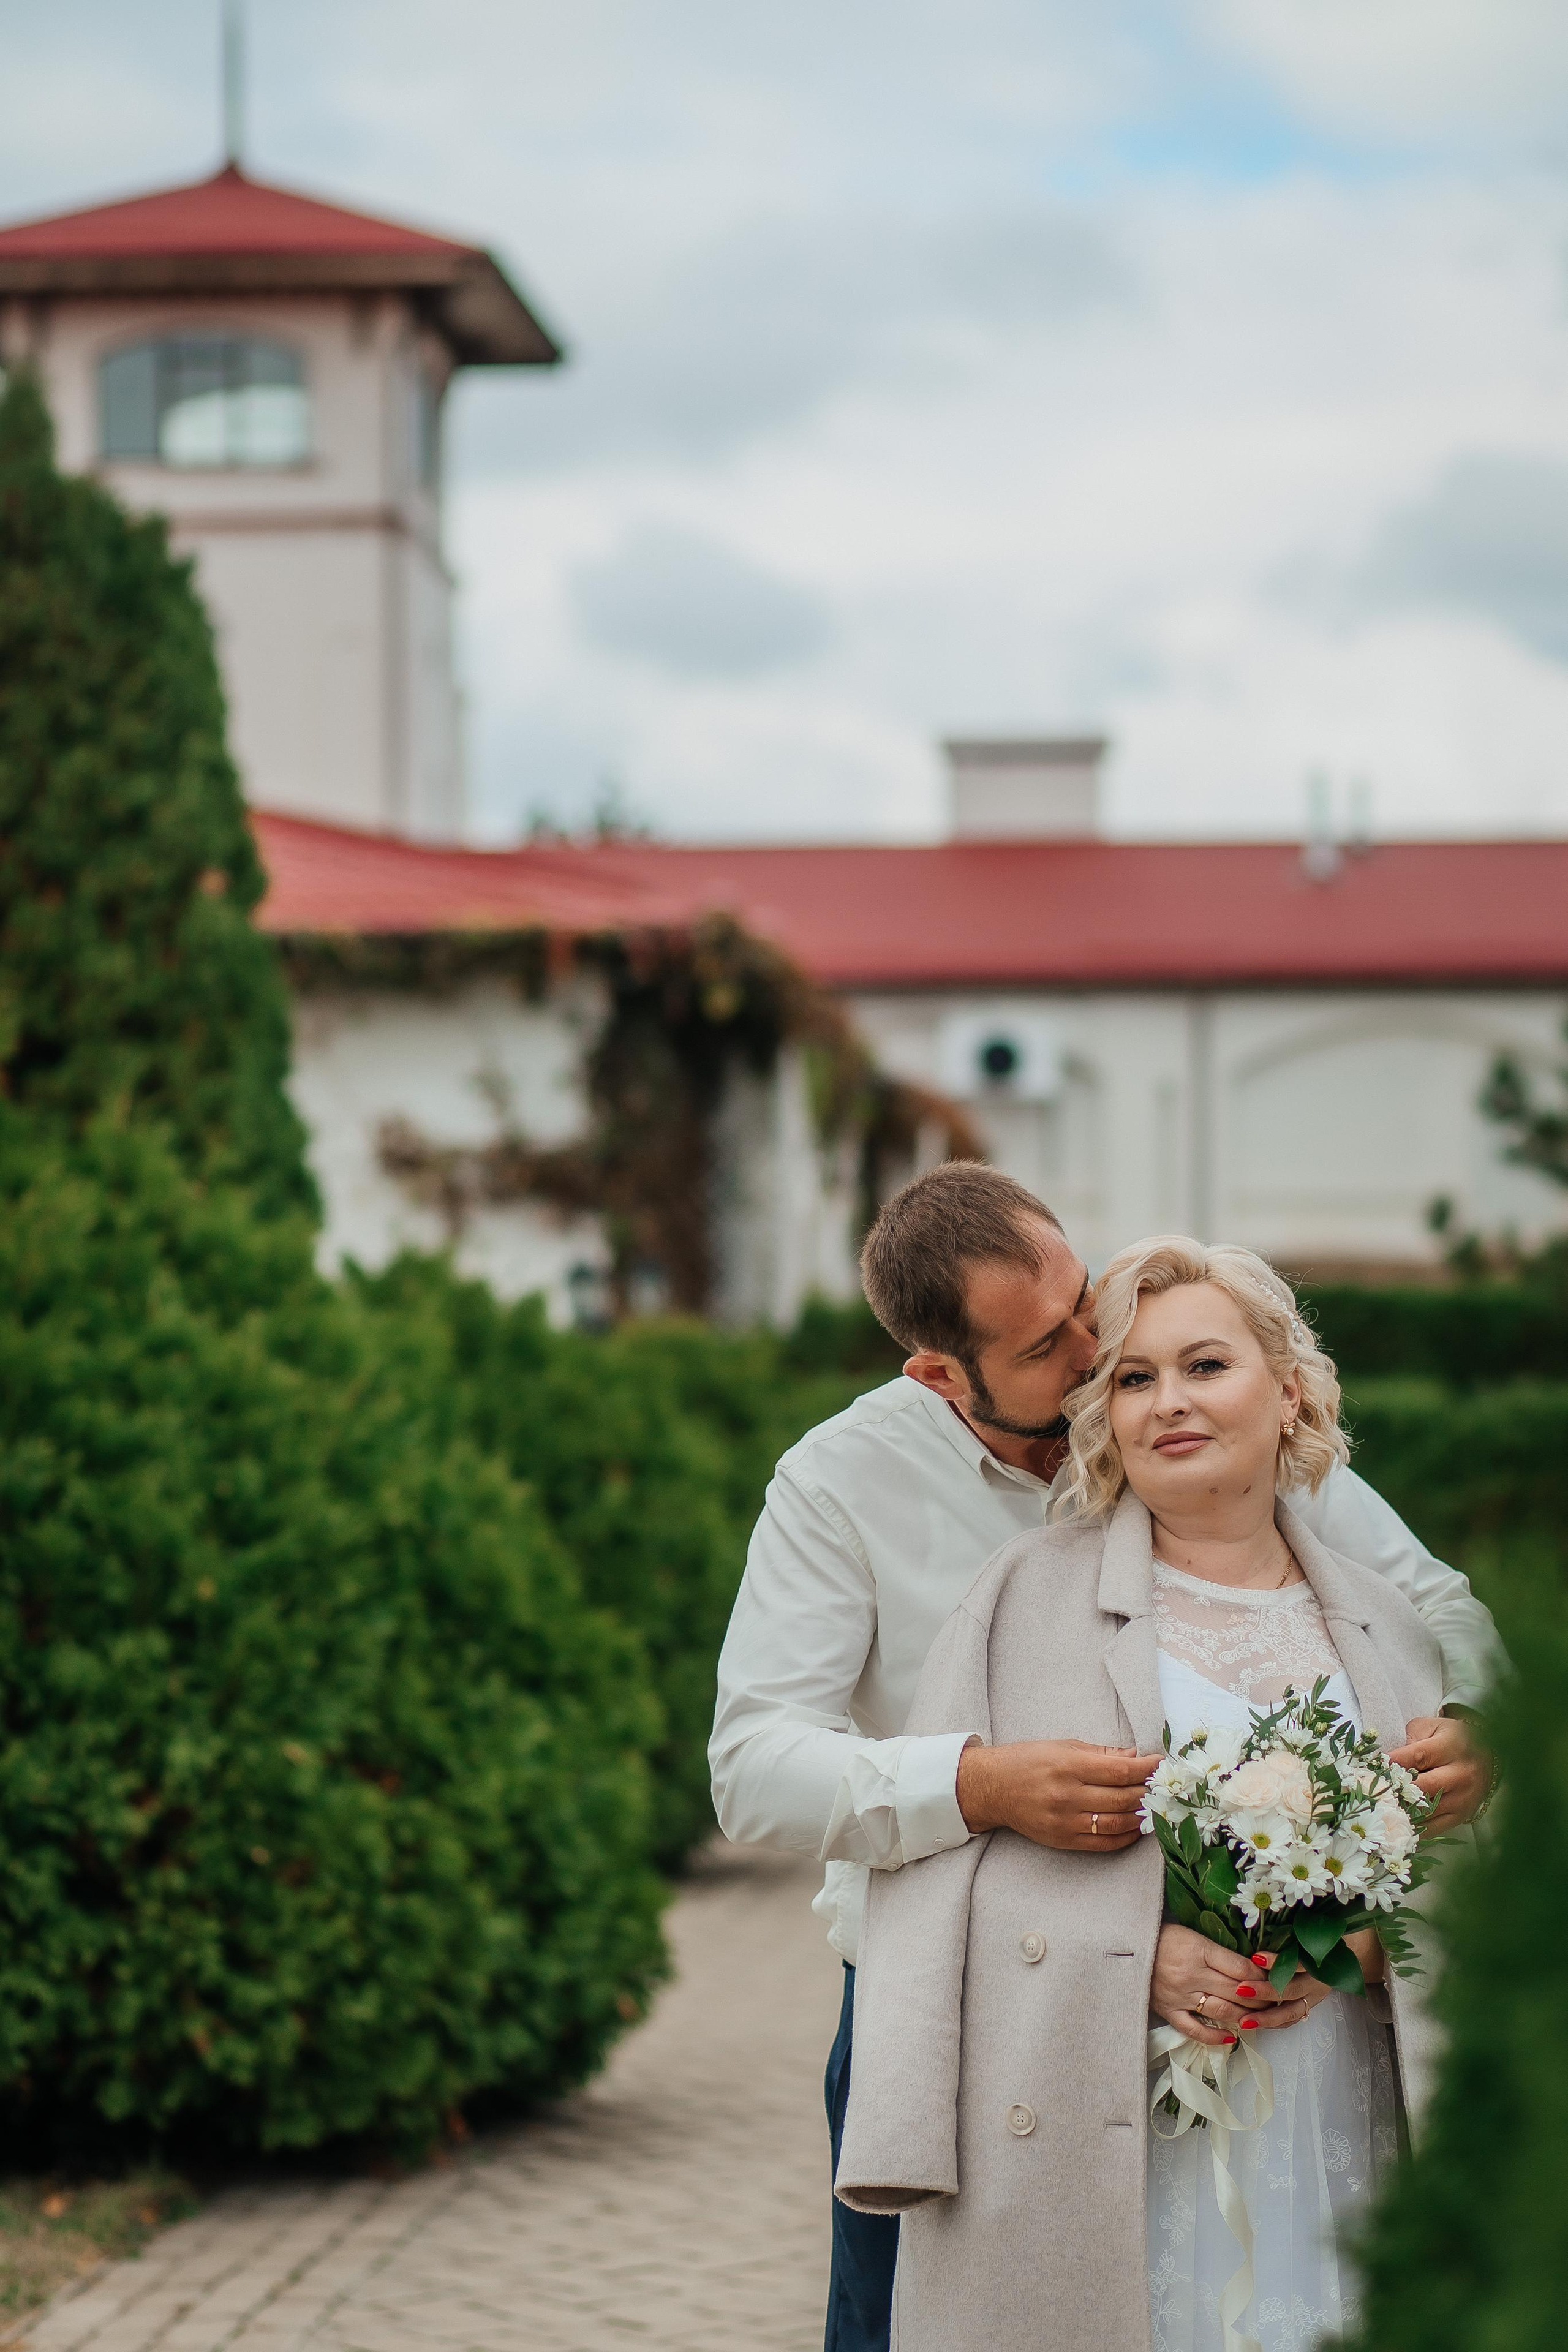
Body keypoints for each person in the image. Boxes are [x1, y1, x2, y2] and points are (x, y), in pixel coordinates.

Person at [708, 1165, 1499, 2352]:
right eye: (1049, 1345)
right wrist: (975, 1782)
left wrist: (1477, 1727)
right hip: (966, 2004)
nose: (1096, 1350)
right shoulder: (839, 1484)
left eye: (1086, 1301)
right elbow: (754, 1766)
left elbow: (1435, 1611)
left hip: (1269, 2025)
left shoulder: (1192, 1416)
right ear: (937, 1374)